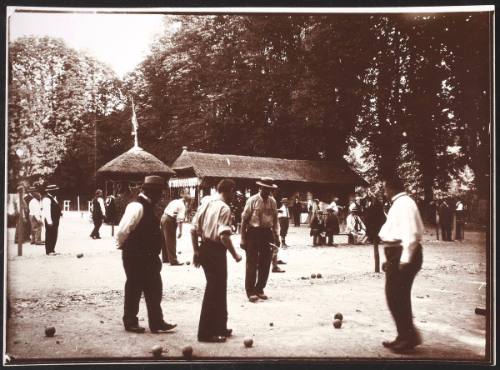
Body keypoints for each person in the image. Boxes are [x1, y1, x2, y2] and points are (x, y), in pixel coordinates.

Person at [116, 175, 177, 334]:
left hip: (148, 257)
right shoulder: (137, 207)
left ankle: (157, 322)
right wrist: (125, 247)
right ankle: (130, 321)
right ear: (152, 192)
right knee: (134, 287)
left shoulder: (148, 206)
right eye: (159, 194)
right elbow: (123, 230)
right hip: (135, 256)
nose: (160, 197)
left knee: (154, 288)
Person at [190, 179, 243, 343]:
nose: (234, 196)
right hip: (216, 250)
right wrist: (235, 254)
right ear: (230, 190)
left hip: (204, 247)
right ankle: (205, 332)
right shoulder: (224, 208)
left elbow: (193, 229)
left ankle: (220, 326)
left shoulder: (206, 202)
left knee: (219, 288)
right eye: (234, 192)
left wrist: (196, 251)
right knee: (214, 290)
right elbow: (223, 236)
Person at [379, 176, 424, 352]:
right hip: (395, 253)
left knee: (396, 296)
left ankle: (408, 337)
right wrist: (389, 259)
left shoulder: (404, 203)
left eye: (384, 188)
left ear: (390, 187)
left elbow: (411, 234)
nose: (383, 191)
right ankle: (404, 335)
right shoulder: (400, 203)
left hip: (402, 254)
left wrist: (404, 259)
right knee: (397, 296)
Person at [240, 177, 283, 303]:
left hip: (267, 233)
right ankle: (250, 291)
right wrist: (243, 238)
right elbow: (244, 220)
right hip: (253, 233)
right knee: (252, 263)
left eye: (269, 189)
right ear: (260, 188)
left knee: (266, 262)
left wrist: (277, 236)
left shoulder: (273, 202)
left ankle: (260, 288)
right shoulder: (252, 200)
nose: (267, 191)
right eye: (265, 188)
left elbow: (275, 221)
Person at [160, 189, 191, 265]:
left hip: (163, 217)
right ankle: (173, 260)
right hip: (169, 219)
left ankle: (165, 258)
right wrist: (180, 232)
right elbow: (180, 220)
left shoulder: (175, 201)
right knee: (171, 240)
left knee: (165, 240)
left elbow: (166, 210)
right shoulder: (182, 206)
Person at [42, 185, 62, 256]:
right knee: (49, 234)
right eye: (55, 190)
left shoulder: (53, 198)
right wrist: (49, 221)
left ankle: (52, 249)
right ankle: (49, 250)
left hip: (55, 219)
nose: (56, 191)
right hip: (50, 219)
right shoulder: (46, 199)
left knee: (54, 234)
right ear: (51, 191)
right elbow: (47, 211)